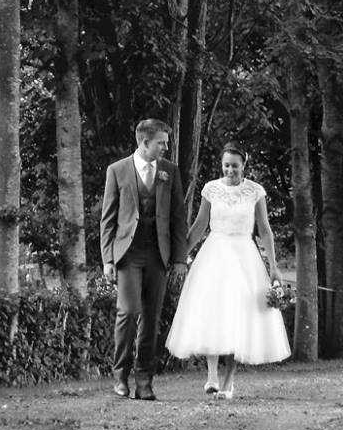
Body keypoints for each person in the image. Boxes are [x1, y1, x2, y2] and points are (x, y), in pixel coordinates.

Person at [165, 141, 291, 399]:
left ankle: (229, 381)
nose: (230, 170)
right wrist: (180, 256)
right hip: (214, 254)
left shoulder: (255, 192)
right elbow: (199, 226)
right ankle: (212, 375)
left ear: (244, 165)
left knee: (238, 315)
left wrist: (273, 265)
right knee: (211, 311)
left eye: (235, 166)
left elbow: (264, 229)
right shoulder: (211, 189)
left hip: (244, 255)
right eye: (226, 165)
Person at [100, 118, 188, 401]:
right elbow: (108, 219)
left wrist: (179, 258)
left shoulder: (170, 171)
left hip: (158, 254)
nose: (166, 147)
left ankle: (144, 381)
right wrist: (107, 259)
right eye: (161, 142)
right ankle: (120, 376)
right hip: (128, 254)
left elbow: (178, 217)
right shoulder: (117, 170)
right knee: (128, 312)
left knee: (151, 318)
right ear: (145, 142)